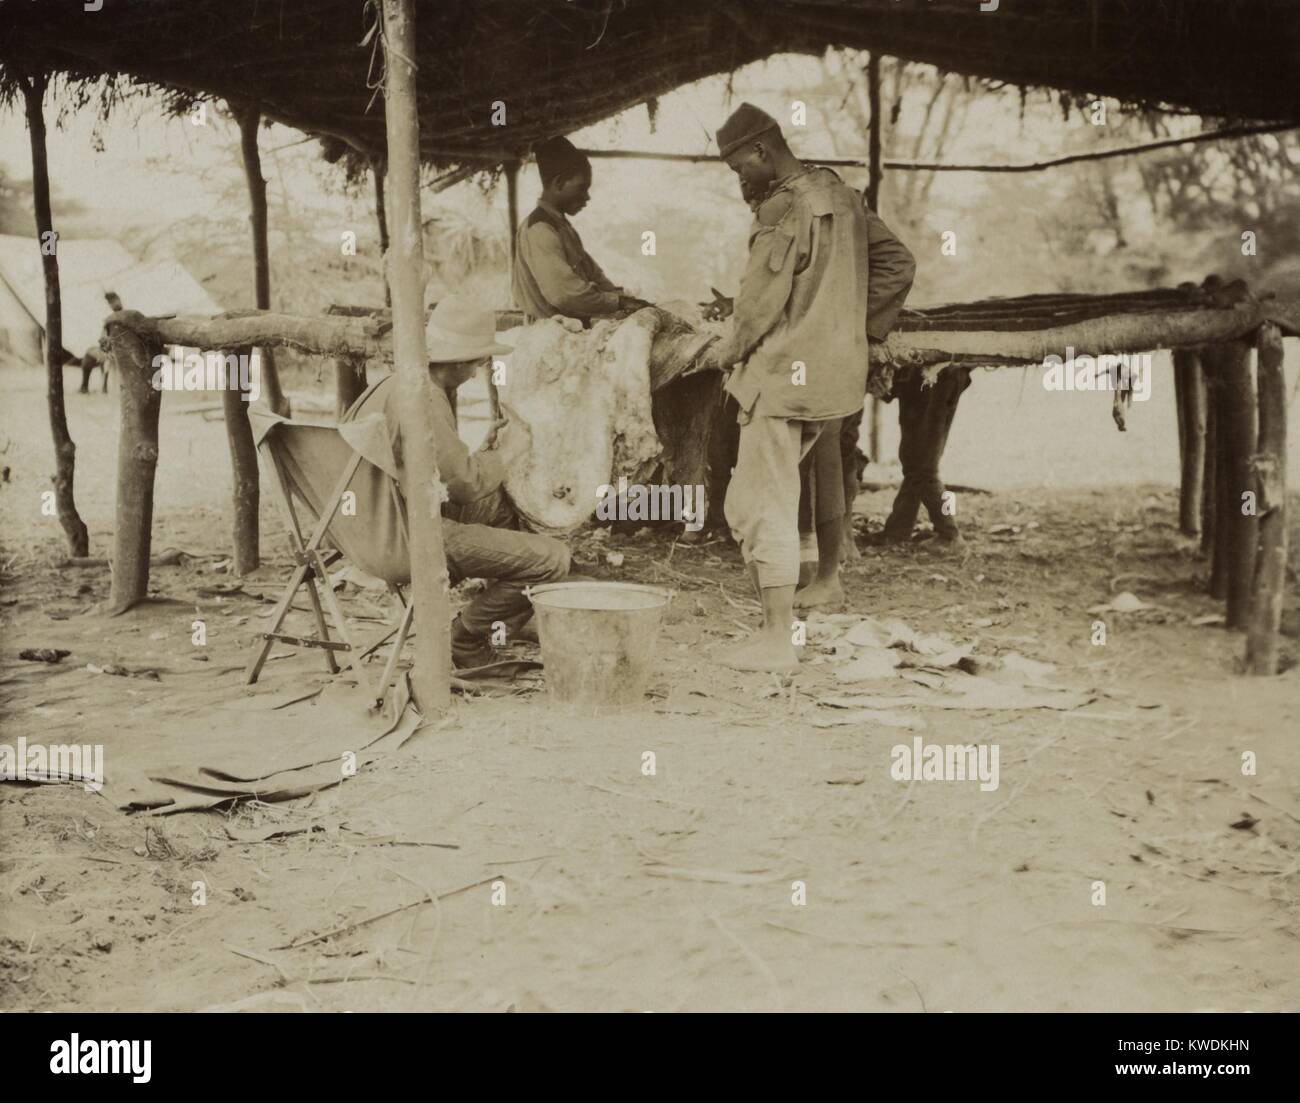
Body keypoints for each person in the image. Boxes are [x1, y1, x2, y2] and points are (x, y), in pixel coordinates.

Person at [706, 103, 871, 673]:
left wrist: (727, 355)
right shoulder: (843, 195)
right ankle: (789, 617)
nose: (741, 180)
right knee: (768, 497)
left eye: (738, 168)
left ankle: (777, 641)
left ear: (760, 150)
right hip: (832, 381)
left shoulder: (784, 208)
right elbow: (898, 262)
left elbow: (756, 309)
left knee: (761, 505)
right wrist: (853, 332)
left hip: (778, 382)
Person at [341, 295, 570, 669]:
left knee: (499, 505)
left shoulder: (393, 384)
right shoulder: (424, 397)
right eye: (479, 361)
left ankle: (497, 612)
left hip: (362, 528)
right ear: (463, 363)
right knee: (552, 559)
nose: (481, 369)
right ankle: (465, 638)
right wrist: (510, 452)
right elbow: (463, 485)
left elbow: (438, 471)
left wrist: (483, 453)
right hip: (402, 537)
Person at [795, 205, 917, 606]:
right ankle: (808, 562)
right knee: (807, 451)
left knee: (827, 449)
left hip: (830, 351)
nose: (745, 185)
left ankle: (826, 574)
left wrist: (856, 325)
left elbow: (899, 264)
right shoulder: (785, 211)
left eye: (745, 172)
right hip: (799, 349)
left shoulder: (840, 207)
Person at [512, 136, 646, 324]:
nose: (587, 197)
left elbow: (594, 276)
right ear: (559, 184)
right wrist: (619, 302)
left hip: (570, 332)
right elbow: (564, 294)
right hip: (548, 336)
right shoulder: (540, 229)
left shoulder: (562, 227)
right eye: (582, 188)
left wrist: (625, 300)